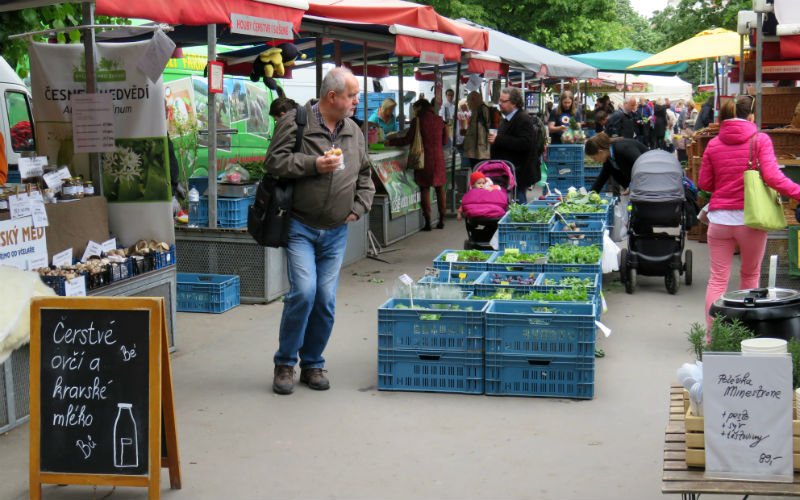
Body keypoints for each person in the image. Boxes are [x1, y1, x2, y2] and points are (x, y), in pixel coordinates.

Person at [265, 67, 375, 395]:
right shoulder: (296, 122)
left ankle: (312, 363)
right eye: (352, 95)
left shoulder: (353, 131)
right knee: (304, 292)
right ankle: (285, 362)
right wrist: (314, 165)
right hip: (300, 225)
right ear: (333, 97)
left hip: (337, 230)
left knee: (325, 299)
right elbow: (274, 161)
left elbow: (366, 175)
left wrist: (357, 208)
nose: (357, 101)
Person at [698, 95, 800, 329]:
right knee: (750, 277)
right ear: (751, 116)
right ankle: (745, 333)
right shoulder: (760, 140)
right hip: (751, 220)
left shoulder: (714, 143)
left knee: (717, 280)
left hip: (719, 221)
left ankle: (714, 337)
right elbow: (773, 178)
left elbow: (704, 183)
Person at [386, 98, 447, 230]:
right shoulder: (439, 120)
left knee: (425, 188)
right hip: (438, 158)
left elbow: (407, 139)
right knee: (440, 188)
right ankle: (441, 220)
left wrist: (390, 142)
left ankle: (428, 222)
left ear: (419, 108)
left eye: (415, 108)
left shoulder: (418, 121)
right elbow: (445, 141)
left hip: (424, 158)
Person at [489, 86, 537, 203]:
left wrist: (499, 139)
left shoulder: (522, 119)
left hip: (519, 172)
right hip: (511, 171)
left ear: (514, 103)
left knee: (519, 200)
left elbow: (525, 143)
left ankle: (520, 221)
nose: (500, 104)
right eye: (500, 100)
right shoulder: (509, 118)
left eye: (503, 101)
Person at [461, 91, 490, 171]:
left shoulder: (482, 110)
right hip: (476, 150)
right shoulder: (477, 110)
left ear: (473, 100)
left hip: (479, 150)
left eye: (468, 101)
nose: (468, 104)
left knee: (479, 170)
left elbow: (481, 131)